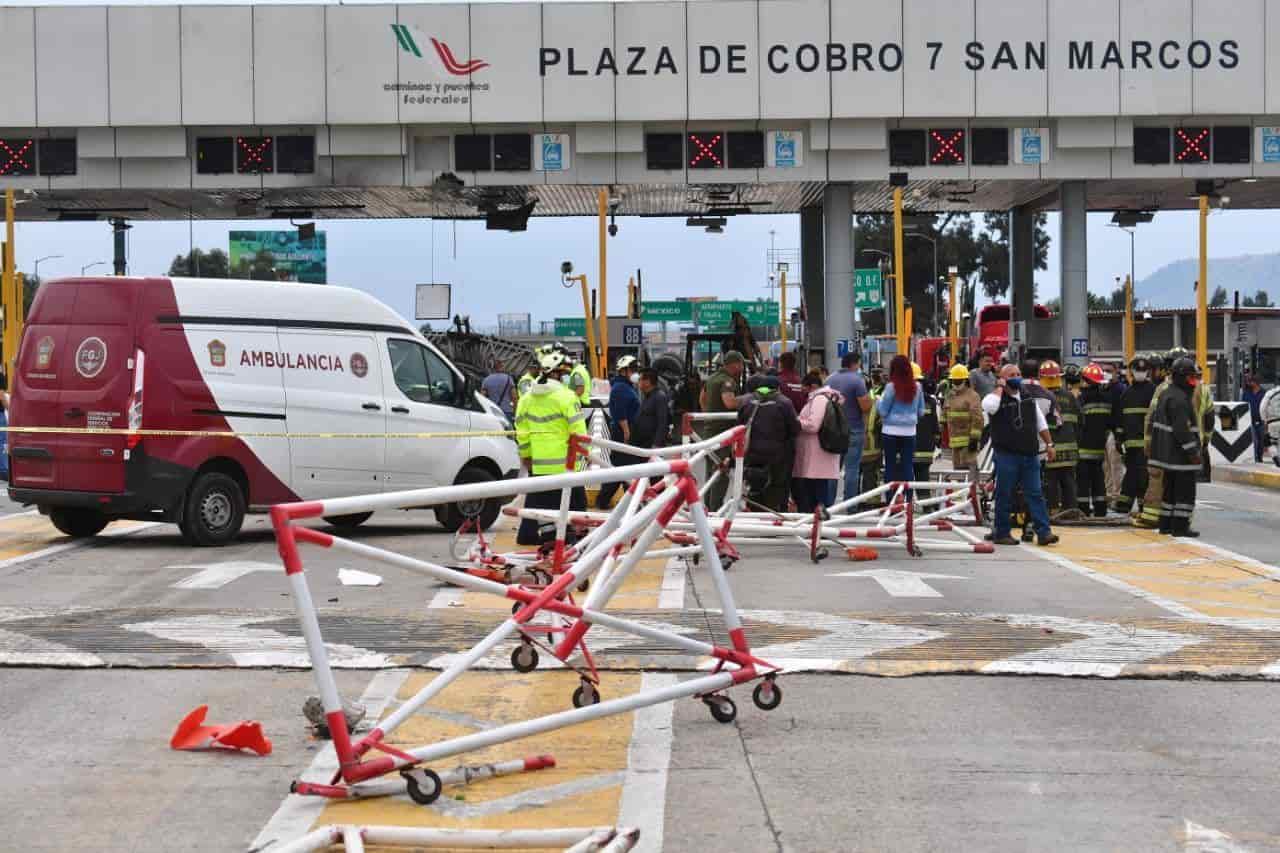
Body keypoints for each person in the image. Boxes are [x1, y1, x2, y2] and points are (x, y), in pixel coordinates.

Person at [514, 350, 589, 546]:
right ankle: (573, 550)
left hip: (540, 468)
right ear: (555, 374)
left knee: (545, 517)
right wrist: (587, 457)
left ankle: (549, 547)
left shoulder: (526, 399)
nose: (566, 378)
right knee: (576, 516)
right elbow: (579, 432)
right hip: (568, 467)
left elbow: (522, 433)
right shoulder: (566, 397)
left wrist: (526, 456)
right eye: (563, 374)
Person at [982, 364, 1058, 546]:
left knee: (1036, 494)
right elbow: (990, 407)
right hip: (1007, 455)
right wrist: (1000, 387)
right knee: (1004, 494)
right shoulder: (995, 397)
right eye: (1011, 375)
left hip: (1029, 454)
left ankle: (1044, 532)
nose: (1016, 377)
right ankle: (1002, 532)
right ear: (1002, 378)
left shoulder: (1027, 397)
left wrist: (1049, 444)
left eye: (1018, 374)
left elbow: (1040, 423)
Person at [1150, 357, 1204, 537]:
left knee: (1170, 493)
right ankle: (1180, 527)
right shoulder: (1180, 399)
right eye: (1190, 379)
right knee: (1185, 495)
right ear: (1180, 378)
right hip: (1181, 457)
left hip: (1169, 456)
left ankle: (1166, 525)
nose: (1194, 383)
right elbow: (1182, 430)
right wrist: (1193, 452)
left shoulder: (1167, 393)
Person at [737, 377, 799, 512]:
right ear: (777, 388)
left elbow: (739, 427)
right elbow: (795, 429)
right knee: (776, 488)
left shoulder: (746, 402)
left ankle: (754, 515)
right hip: (777, 457)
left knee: (754, 485)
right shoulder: (784, 402)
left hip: (752, 454)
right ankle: (774, 517)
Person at [1135, 349, 1181, 529]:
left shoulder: (1162, 388)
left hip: (1163, 445)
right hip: (1187, 445)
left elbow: (1151, 417)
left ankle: (1152, 517)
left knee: (1158, 480)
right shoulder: (1199, 387)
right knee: (1182, 484)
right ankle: (1179, 519)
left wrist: (1148, 443)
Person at [596, 355, 642, 509]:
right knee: (624, 467)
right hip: (623, 432)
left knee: (622, 467)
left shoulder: (625, 386)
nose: (636, 373)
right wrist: (626, 432)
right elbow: (620, 413)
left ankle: (623, 501)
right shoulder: (620, 388)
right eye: (633, 369)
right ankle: (626, 502)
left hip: (626, 431)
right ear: (624, 371)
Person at [792, 372, 843, 512]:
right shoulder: (824, 397)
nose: (803, 392)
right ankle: (817, 524)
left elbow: (813, 425)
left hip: (817, 452)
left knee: (816, 494)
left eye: (805, 389)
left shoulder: (819, 399)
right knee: (818, 491)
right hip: (819, 453)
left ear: (813, 386)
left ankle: (818, 525)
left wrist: (796, 422)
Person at [702, 350, 746, 510]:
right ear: (734, 364)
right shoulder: (727, 381)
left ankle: (707, 508)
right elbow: (729, 403)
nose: (742, 368)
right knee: (722, 472)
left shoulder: (712, 378)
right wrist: (746, 399)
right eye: (741, 364)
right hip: (722, 433)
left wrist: (710, 414)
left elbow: (702, 399)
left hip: (708, 431)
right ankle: (715, 509)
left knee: (710, 473)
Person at [826, 352, 872, 502]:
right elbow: (865, 407)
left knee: (832, 470)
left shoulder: (829, 380)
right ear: (855, 364)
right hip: (854, 430)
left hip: (833, 432)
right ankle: (850, 505)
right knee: (852, 469)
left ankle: (829, 504)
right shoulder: (857, 381)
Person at [1115, 355, 1156, 514]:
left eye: (1143, 370)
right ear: (1132, 372)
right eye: (1138, 370)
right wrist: (1119, 438)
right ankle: (1127, 504)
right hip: (1130, 445)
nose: (1140, 373)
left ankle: (1140, 504)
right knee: (1133, 473)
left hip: (1148, 444)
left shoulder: (1154, 392)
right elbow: (1120, 418)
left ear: (1148, 372)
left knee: (1142, 475)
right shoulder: (1126, 394)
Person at [876, 356, 924, 488]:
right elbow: (921, 412)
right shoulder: (918, 387)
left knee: (890, 466)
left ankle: (891, 500)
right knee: (908, 466)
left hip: (890, 431)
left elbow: (883, 411)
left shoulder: (891, 387)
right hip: (910, 432)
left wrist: (878, 401)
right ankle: (908, 499)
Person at [1040, 360, 1079, 515]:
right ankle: (1071, 510)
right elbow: (1079, 420)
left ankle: (1053, 511)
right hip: (1070, 448)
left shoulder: (1042, 396)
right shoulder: (1069, 396)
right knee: (1069, 481)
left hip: (1050, 449)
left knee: (1051, 482)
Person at [1076, 363, 1112, 517]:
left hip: (1082, 448)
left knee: (1083, 481)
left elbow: (1078, 423)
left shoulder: (1081, 399)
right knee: (1098, 479)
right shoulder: (1106, 399)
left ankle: (1083, 509)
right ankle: (1100, 508)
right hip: (1098, 448)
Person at [944, 364, 983, 483]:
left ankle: (972, 496)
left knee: (970, 474)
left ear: (965, 380)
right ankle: (961, 497)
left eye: (958, 380)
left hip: (968, 441)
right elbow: (945, 412)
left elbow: (977, 418)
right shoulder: (950, 395)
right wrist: (939, 430)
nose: (956, 383)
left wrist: (974, 439)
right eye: (954, 381)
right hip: (955, 441)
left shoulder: (973, 396)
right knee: (958, 474)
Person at [631, 368, 671, 451]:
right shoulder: (647, 396)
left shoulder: (659, 397)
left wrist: (656, 445)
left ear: (647, 382)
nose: (638, 382)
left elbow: (662, 423)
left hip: (651, 446)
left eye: (640, 379)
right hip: (642, 444)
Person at [1243, 373, 1267, 463]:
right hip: (1250, 421)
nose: (1248, 383)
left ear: (1256, 383)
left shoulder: (1264, 393)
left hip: (1261, 421)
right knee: (1254, 441)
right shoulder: (1246, 393)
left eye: (1250, 382)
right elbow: (1243, 405)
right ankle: (1255, 458)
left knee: (1261, 441)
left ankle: (1260, 458)